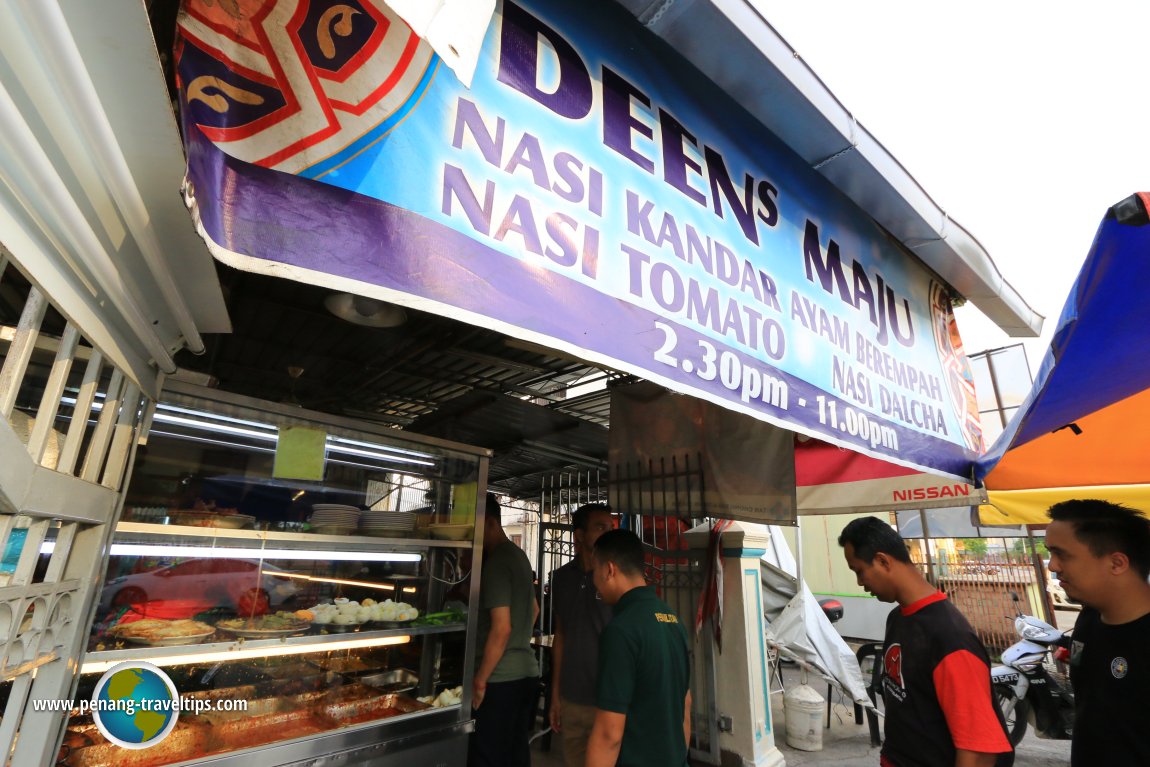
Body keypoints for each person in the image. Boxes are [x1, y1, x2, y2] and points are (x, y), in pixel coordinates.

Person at [838, 516, 1013, 767]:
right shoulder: (898, 618)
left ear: (882, 561)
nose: (860, 582)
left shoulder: (949, 637)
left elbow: (978, 751)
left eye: (859, 571)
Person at [1045, 499, 1150, 767]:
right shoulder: (1088, 618)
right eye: (1050, 553)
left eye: (1062, 554)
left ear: (1116, 563)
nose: (1052, 566)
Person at [585, 529, 691, 767]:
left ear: (609, 570)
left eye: (595, 571)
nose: (594, 581)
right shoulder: (673, 619)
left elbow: (608, 734)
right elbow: (685, 704)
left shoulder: (621, 631)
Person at [469, 494, 539, 767]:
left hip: (499, 681)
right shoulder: (519, 556)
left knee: (487, 756)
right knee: (516, 752)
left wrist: (480, 680)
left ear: (489, 522)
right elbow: (533, 609)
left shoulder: (497, 563)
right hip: (527, 674)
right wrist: (520, 639)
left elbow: (501, 628)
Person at [548, 503, 616, 766]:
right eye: (600, 527)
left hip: (608, 699)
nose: (608, 533)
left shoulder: (615, 577)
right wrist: (555, 695)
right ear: (579, 536)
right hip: (571, 699)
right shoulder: (562, 578)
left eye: (610, 528)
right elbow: (560, 636)